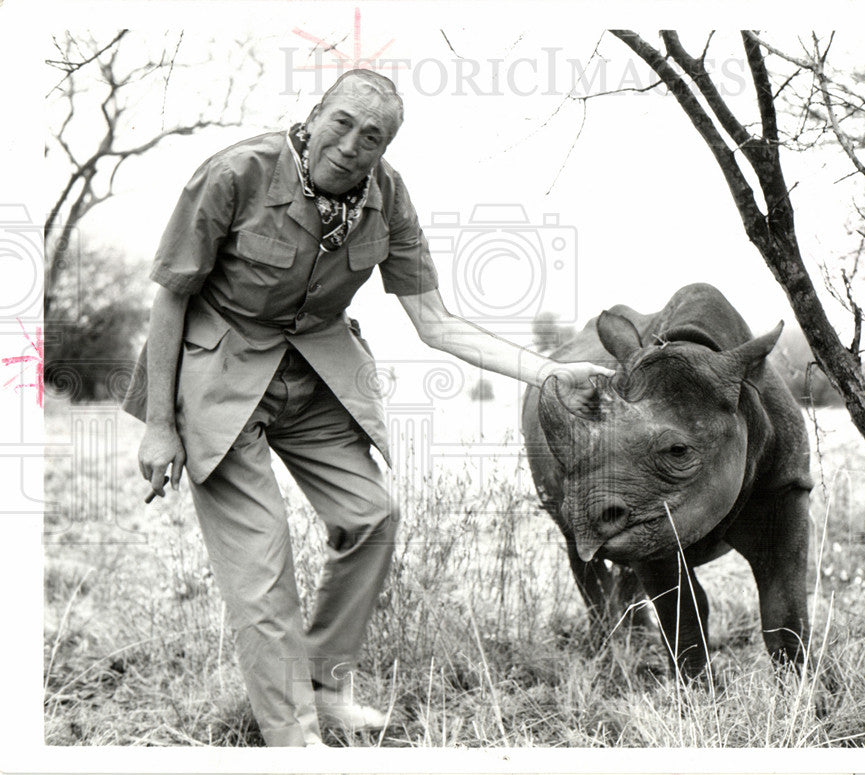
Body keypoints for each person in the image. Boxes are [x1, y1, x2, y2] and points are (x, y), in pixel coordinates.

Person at [122, 69, 612, 747]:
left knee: (372, 516)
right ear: (315, 113)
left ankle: (324, 688)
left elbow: (437, 323)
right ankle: (295, 741)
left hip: (316, 372)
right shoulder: (236, 173)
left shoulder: (388, 199)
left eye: (372, 136)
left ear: (385, 149)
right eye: (342, 121)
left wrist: (553, 372)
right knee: (263, 568)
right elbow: (173, 293)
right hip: (220, 373)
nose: (352, 144)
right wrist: (157, 426)